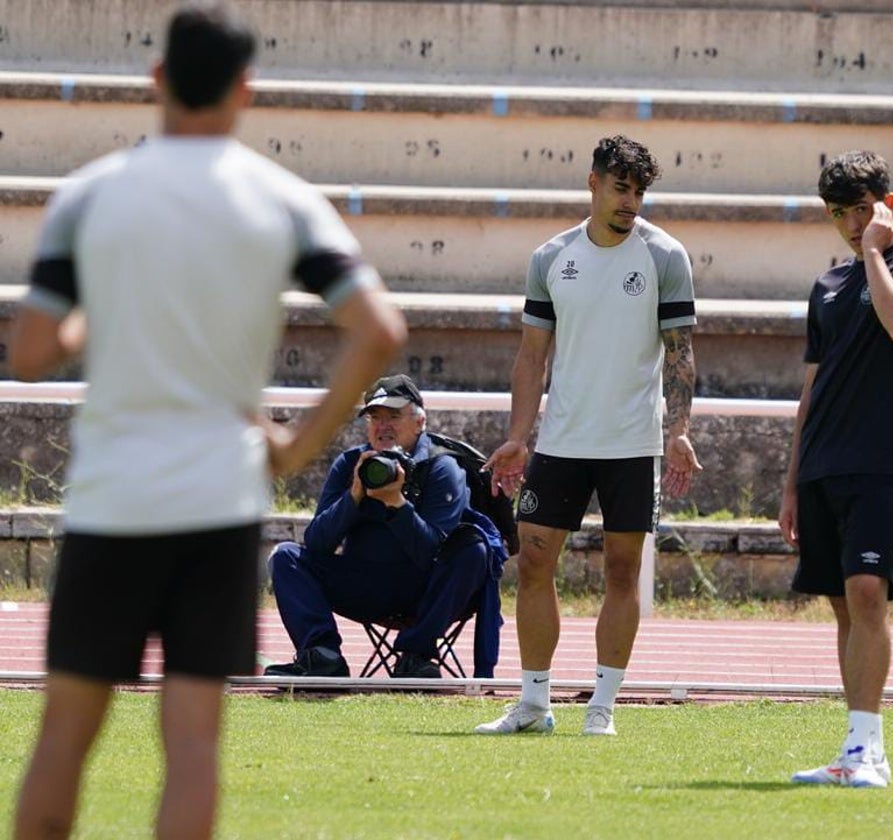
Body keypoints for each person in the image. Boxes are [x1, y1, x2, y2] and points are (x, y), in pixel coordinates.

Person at [8, 4, 406, 838]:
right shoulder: (281, 199)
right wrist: (297, 445)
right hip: (217, 504)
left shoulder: (90, 195)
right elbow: (379, 331)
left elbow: (34, 350)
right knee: (192, 744)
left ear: (156, 80)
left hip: (113, 499)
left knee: (65, 737)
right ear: (244, 91)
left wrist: (102, 318)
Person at [474, 134, 701, 737]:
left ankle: (602, 705)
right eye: (621, 187)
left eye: (640, 191)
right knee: (532, 565)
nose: (631, 201)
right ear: (594, 183)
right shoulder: (551, 257)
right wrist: (520, 435)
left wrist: (678, 429)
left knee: (622, 573)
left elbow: (680, 355)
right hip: (560, 444)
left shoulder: (665, 256)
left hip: (632, 444)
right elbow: (530, 357)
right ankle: (533, 704)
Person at [779, 150, 893, 788]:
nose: (852, 224)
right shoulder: (826, 286)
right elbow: (811, 389)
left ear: (888, 203)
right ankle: (856, 748)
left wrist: (876, 254)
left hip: (882, 461)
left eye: (861, 209)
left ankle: (869, 752)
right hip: (823, 465)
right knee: (844, 609)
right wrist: (791, 481)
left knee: (867, 594)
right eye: (839, 213)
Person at [265, 374, 505, 680]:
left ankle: (416, 654)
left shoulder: (441, 467)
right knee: (286, 556)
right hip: (365, 582)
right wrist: (353, 497)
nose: (383, 426)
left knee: (474, 548)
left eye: (393, 416)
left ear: (420, 422)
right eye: (375, 417)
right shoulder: (351, 463)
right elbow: (317, 543)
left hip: (426, 591)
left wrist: (397, 505)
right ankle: (322, 655)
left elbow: (433, 552)